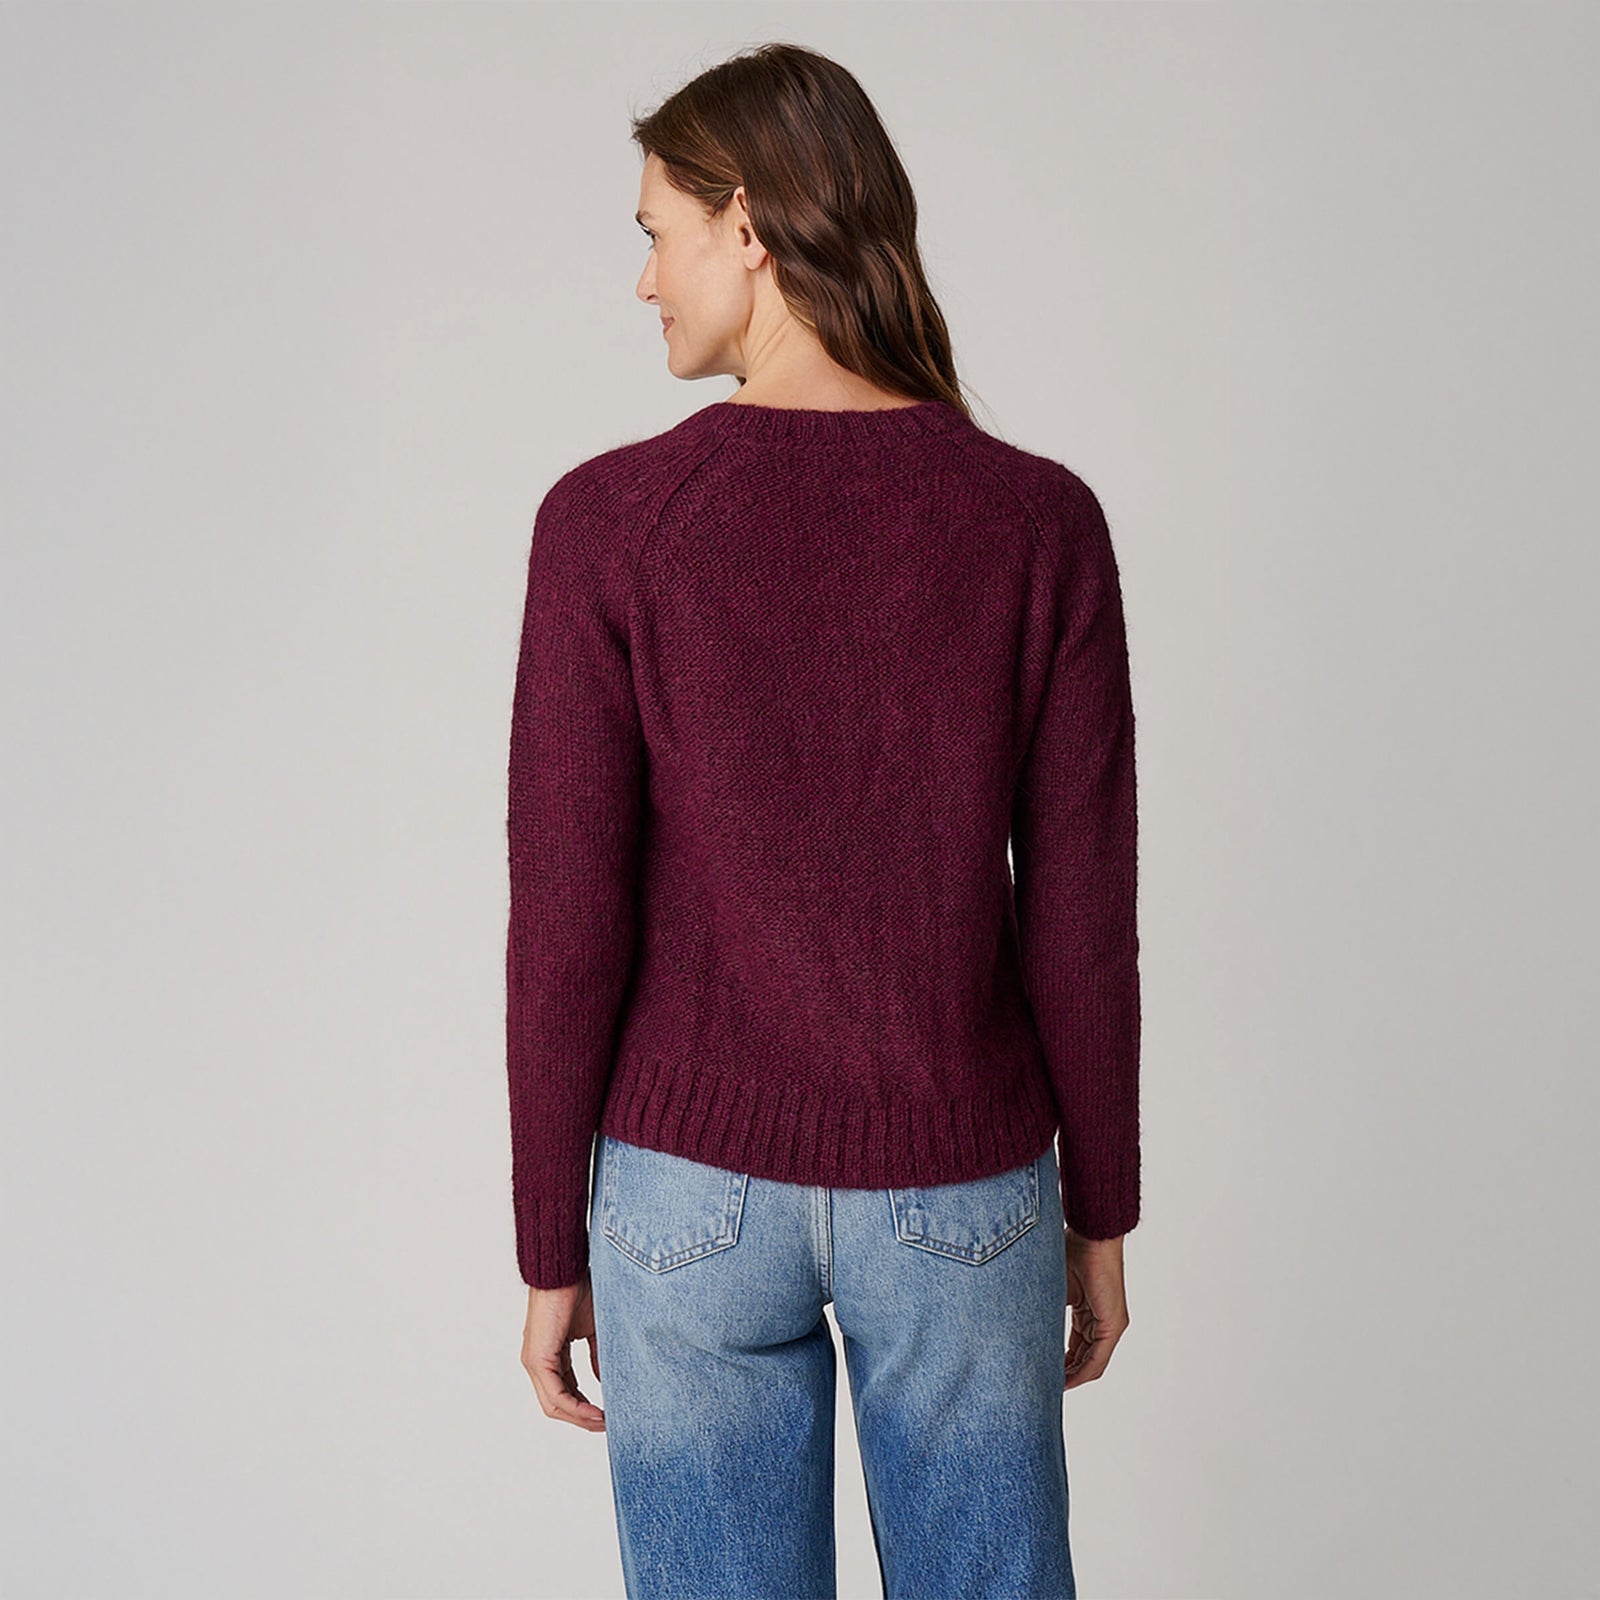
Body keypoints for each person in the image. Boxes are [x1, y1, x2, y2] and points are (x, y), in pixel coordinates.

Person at [505, 41, 1140, 1600]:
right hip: (964, 1188)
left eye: (656, 233)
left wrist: (548, 1245)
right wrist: (1102, 1211)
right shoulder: (1037, 521)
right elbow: (1079, 911)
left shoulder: (608, 524)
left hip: (683, 1200)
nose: (644, 280)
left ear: (747, 225)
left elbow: (566, 922)